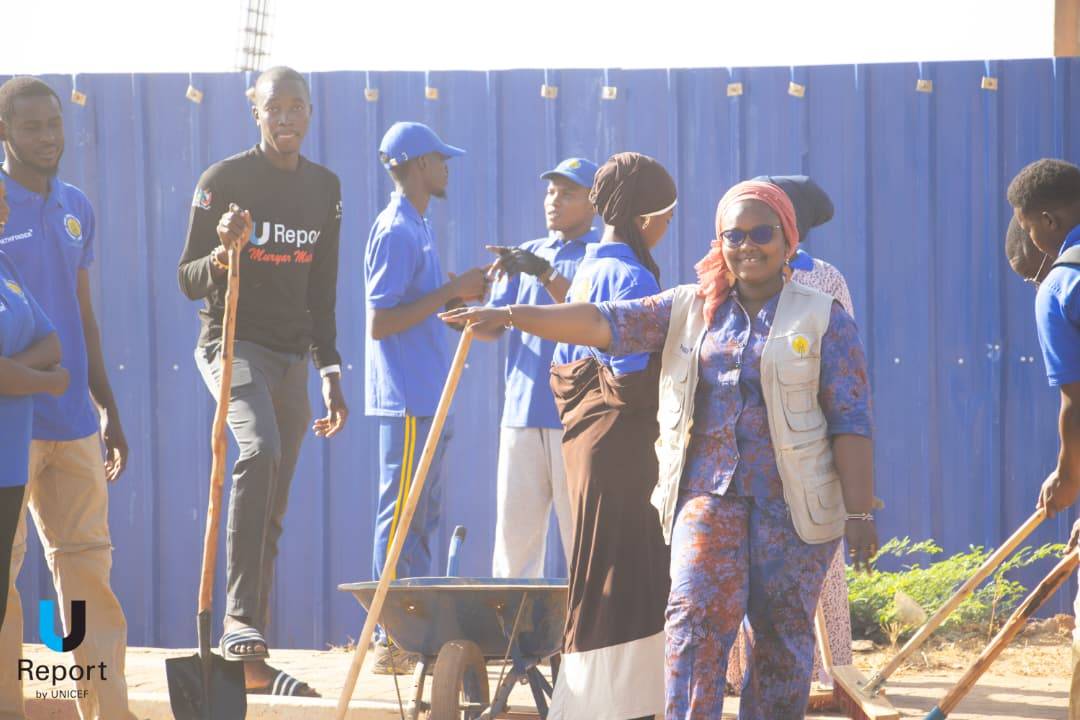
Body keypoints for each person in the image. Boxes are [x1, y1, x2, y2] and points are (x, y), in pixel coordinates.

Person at [444, 179, 878, 719]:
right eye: (733, 235)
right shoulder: (690, 308)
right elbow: (603, 320)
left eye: (761, 233)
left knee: (782, 639)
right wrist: (511, 315)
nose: (747, 246)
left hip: (792, 510)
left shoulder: (824, 317)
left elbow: (850, 417)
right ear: (718, 243)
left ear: (788, 239)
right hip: (707, 498)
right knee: (693, 623)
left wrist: (859, 510)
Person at [444, 151, 677, 720]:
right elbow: (627, 378)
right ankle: (615, 705)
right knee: (618, 582)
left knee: (591, 571)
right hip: (620, 456)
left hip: (581, 445)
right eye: (667, 213)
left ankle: (584, 697)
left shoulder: (591, 266)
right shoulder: (632, 276)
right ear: (647, 217)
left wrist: (510, 310)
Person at [178, 66, 347, 697]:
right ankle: (238, 621)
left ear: (309, 114)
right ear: (256, 111)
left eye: (297, 107)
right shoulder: (223, 182)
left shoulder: (326, 188)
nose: (286, 118)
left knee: (272, 500)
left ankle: (248, 661)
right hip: (231, 344)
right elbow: (186, 278)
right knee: (259, 450)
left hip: (292, 357)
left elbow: (323, 293)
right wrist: (223, 253)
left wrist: (330, 371)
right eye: (275, 107)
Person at [0, 76, 137, 720]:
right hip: (9, 427)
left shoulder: (76, 203)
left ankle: (105, 711)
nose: (49, 137)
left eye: (54, 123)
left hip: (75, 424)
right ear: (5, 131)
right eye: (32, 126)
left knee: (85, 580)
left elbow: (84, 317)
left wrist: (106, 405)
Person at [364, 121, 487, 674]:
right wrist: (449, 291)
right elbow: (380, 321)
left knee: (422, 518)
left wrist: (463, 296)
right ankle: (390, 638)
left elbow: (427, 306)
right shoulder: (396, 229)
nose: (447, 167)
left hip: (427, 396)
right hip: (409, 399)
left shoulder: (418, 225)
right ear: (417, 164)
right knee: (402, 519)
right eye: (441, 158)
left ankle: (413, 639)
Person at [727, 175, 857, 695]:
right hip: (813, 436)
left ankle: (743, 672)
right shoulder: (830, 278)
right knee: (821, 560)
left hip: (752, 443)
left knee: (747, 561)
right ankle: (834, 668)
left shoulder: (740, 273)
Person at [472, 157, 600, 578]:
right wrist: (467, 315)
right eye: (551, 191)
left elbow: (585, 316)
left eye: (568, 193)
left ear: (593, 202)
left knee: (581, 539)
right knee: (515, 543)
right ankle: (514, 641)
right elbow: (492, 326)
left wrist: (543, 272)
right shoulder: (530, 252)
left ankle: (585, 643)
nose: (555, 200)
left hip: (574, 416)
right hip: (522, 413)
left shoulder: (599, 255)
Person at [1006, 158, 1080, 720]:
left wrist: (1069, 477)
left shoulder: (1061, 283)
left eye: (1029, 226)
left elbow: (1076, 402)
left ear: (1048, 222)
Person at [0, 181, 69, 631]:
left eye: (3, 199)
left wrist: (14, 373)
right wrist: (45, 380)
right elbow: (51, 370)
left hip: (9, 466)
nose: (4, 209)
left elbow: (52, 342)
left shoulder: (5, 265)